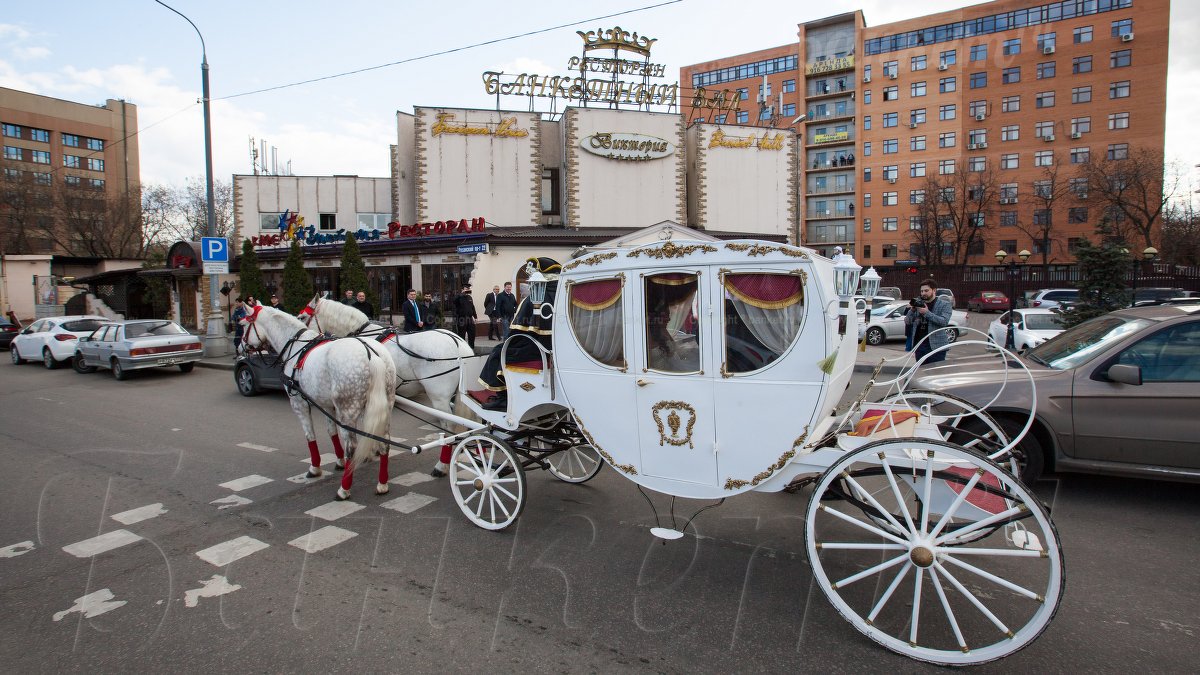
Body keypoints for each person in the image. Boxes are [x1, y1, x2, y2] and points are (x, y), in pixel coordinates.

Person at [479, 257, 560, 411]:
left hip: (537, 350)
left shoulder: (533, 299)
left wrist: (507, 343)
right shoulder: (563, 296)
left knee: (499, 351)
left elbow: (515, 333)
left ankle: (504, 397)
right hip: (556, 348)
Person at [904, 278, 954, 365]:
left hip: (936, 346)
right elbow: (907, 321)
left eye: (926, 291)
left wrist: (927, 313)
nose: (923, 293)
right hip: (920, 345)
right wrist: (911, 310)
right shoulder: (919, 303)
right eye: (922, 291)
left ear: (934, 290)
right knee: (921, 372)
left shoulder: (944, 304)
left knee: (935, 374)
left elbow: (944, 322)